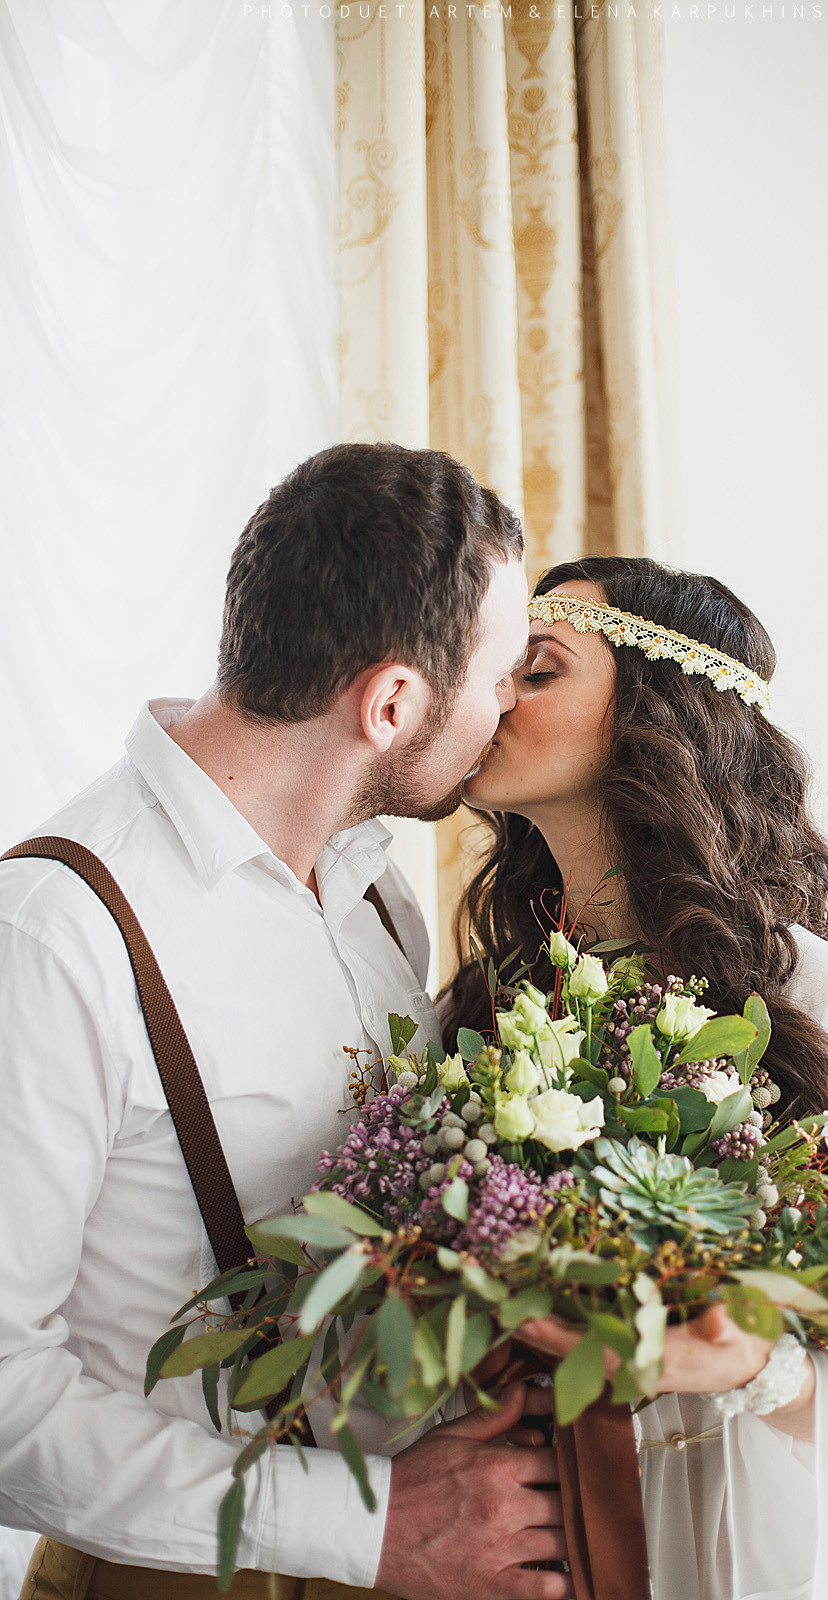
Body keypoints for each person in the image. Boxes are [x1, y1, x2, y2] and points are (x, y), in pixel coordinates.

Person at [0, 442, 573, 1600]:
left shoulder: (372, 885)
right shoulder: (55, 933)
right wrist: (363, 1528)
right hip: (171, 1576)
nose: (507, 706)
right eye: (500, 673)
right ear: (393, 702)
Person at [448, 554, 828, 1600]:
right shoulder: (475, 1006)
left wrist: (743, 1360)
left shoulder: (809, 997)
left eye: (535, 671)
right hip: (532, 1536)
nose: (492, 696)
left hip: (727, 1520)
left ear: (653, 712)